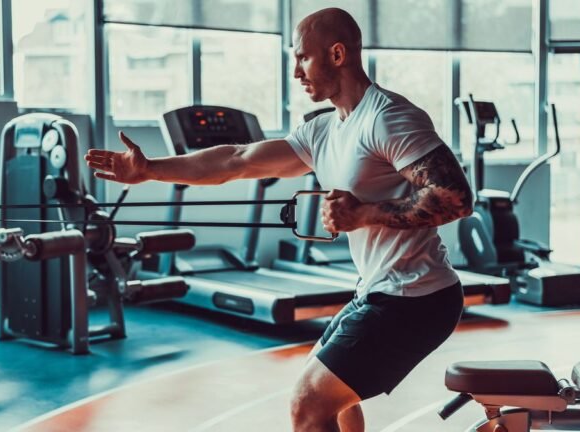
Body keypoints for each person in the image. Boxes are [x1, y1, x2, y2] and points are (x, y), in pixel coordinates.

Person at [85, 7, 472, 432]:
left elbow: (454, 198)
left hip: (417, 298)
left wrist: (364, 213)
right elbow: (237, 160)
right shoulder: (324, 130)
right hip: (379, 289)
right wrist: (150, 170)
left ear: (337, 54)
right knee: (335, 398)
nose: (296, 72)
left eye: (303, 57)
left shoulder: (389, 118)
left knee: (309, 404)